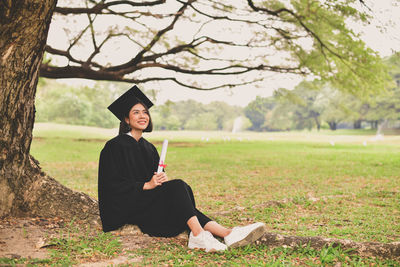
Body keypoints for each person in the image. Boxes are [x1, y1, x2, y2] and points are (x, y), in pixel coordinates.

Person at [98, 85, 266, 252]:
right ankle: (198, 234)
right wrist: (146, 185)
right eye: (136, 112)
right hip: (128, 207)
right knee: (177, 186)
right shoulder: (114, 146)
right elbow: (109, 184)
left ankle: (228, 233)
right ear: (126, 119)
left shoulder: (148, 147)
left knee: (180, 189)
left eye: (145, 112)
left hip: (146, 203)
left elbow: (156, 181)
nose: (142, 116)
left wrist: (160, 180)